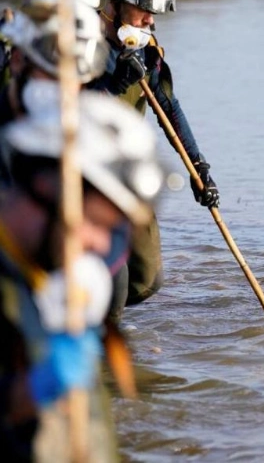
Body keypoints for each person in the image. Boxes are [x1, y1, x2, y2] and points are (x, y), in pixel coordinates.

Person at [0, 91, 165, 461]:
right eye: (97, 222)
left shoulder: (48, 285)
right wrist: (19, 397)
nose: (101, 243)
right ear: (46, 187)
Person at [89, 0, 219, 318]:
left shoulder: (146, 52)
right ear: (113, 4)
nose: (149, 19)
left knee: (146, 282)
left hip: (130, 175)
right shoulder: (84, 45)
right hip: (86, 178)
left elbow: (170, 109)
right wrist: (114, 86)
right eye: (142, 9)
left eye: (153, 11)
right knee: (111, 288)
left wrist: (199, 168)